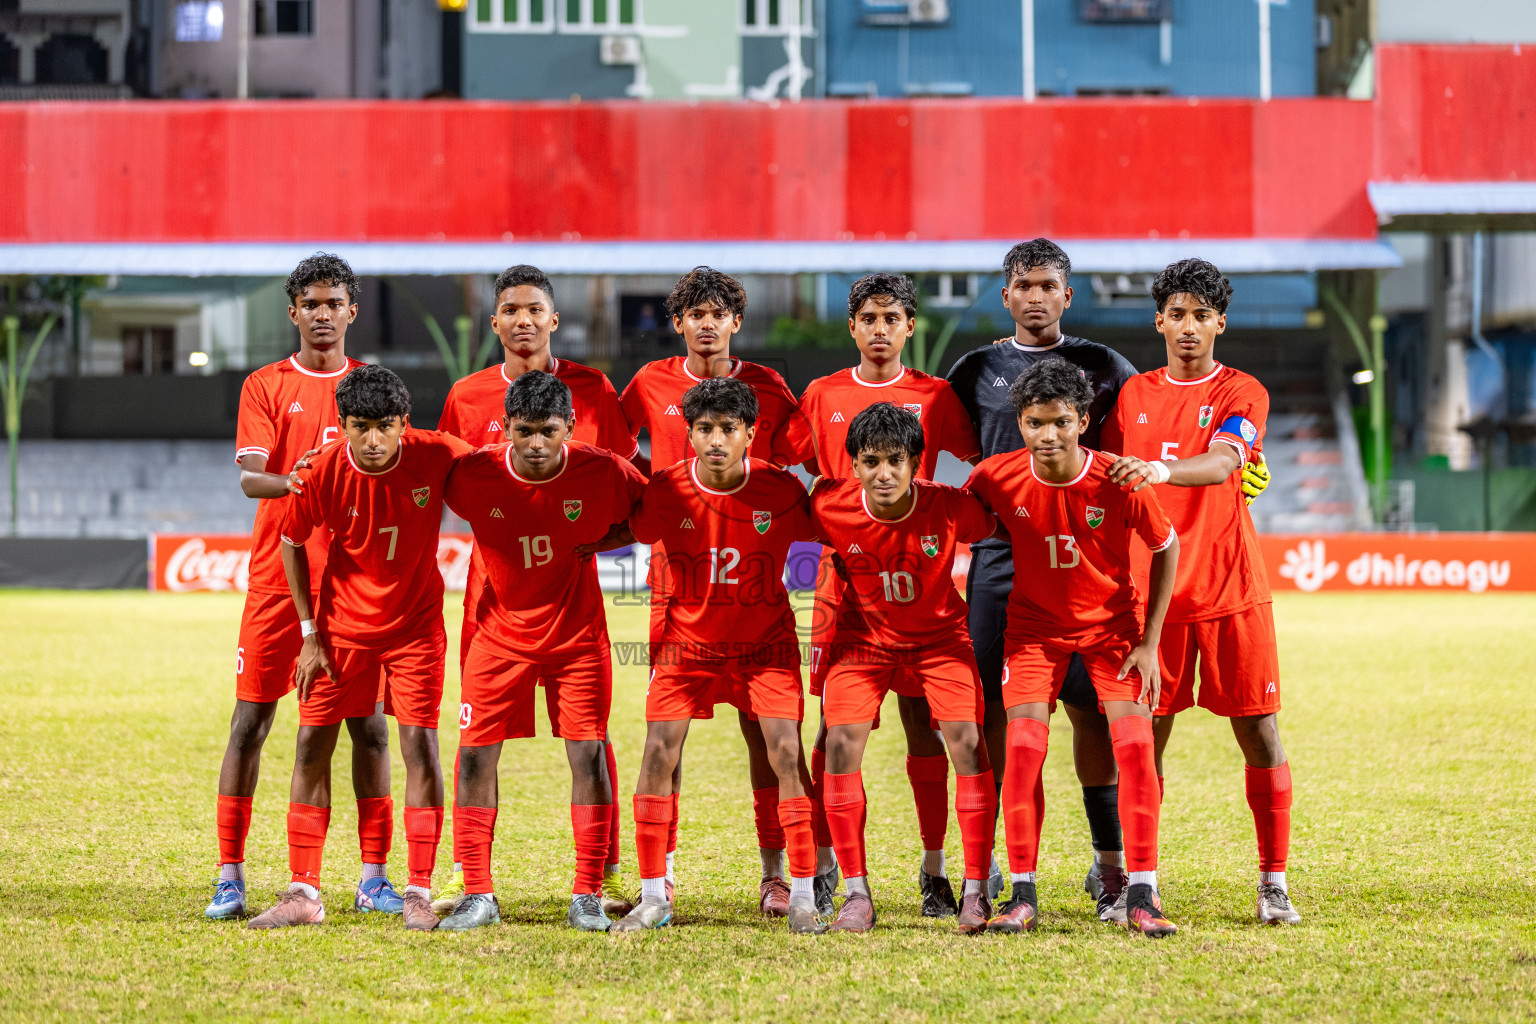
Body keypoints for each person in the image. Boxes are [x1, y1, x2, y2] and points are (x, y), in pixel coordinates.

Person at [433, 264, 638, 918]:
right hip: (492, 600)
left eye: (535, 310)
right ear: (495, 322)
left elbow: (627, 489)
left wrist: (592, 542)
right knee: (476, 742)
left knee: (589, 739)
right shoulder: (466, 397)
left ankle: (597, 877)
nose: (523, 320)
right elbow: (442, 482)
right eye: (511, 310)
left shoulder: (595, 390)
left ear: (554, 320)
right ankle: (472, 877)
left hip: (571, 597)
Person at [945, 238, 1141, 918]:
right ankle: (997, 859)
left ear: (1068, 294)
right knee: (1000, 711)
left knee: (1091, 709)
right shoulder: (974, 368)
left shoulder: (1104, 366)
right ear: (1006, 296)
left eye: (1047, 285)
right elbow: (946, 450)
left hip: (1087, 558)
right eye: (1022, 285)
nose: (1034, 296)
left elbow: (1136, 451)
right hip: (1004, 561)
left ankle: (1107, 862)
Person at [1102, 258, 1299, 926]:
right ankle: (1138, 881)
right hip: (1150, 598)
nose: (1189, 327)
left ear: (1222, 322)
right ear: (1159, 320)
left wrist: (1165, 468)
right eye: (1177, 314)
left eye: (1202, 315)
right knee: (1142, 741)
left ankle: (1272, 883)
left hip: (1229, 589)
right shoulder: (1130, 398)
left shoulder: (1245, 391)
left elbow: (1224, 459)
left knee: (1260, 732)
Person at [207, 253, 399, 922]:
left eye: (333, 303)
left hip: (352, 590)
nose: (322, 314)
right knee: (250, 723)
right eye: (310, 304)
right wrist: (299, 478)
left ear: (351, 310)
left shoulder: (373, 388)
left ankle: (374, 877)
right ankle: (230, 876)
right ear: (294, 312)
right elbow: (250, 477)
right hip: (274, 582)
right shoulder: (266, 385)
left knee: (368, 728)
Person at [245, 366, 472, 931]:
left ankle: (417, 889)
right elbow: (291, 541)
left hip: (416, 630)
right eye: (360, 426)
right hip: (340, 631)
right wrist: (309, 634)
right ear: (342, 425)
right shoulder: (321, 470)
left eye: (385, 427)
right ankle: (304, 891)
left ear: (404, 424)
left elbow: (502, 472)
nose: (373, 440)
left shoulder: (439, 452)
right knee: (309, 747)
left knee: (420, 747)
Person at [618, 267, 811, 917]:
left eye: (718, 311)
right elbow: (616, 453)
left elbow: (794, 463)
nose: (706, 322)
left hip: (749, 574)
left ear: (735, 322)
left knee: (767, 737)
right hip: (676, 583)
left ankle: (777, 874)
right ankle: (661, 876)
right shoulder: (650, 382)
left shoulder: (768, 388)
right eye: (693, 312)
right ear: (678, 324)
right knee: (665, 736)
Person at [966, 357, 1181, 937]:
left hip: (1114, 632)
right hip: (1034, 633)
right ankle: (1023, 892)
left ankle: (1142, 891)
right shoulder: (993, 476)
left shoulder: (1119, 477)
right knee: (1024, 748)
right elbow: (954, 522)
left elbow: (1167, 546)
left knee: (1134, 750)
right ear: (1021, 421)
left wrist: (1150, 641)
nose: (1048, 434)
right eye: (1035, 423)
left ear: (1083, 420)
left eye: (1061, 421)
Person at [796, 272, 982, 917]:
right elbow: (787, 462)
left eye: (892, 318)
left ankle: (934, 871)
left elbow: (982, 460)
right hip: (846, 585)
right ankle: (830, 869)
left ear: (910, 327)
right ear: (853, 327)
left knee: (926, 733)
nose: (880, 330)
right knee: (835, 734)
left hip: (922, 573)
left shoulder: (936, 397)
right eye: (868, 318)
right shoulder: (822, 393)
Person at [809, 402, 997, 933]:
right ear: (853, 465)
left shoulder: (951, 507)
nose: (884, 473)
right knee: (840, 740)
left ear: (917, 462)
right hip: (864, 642)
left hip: (940, 640)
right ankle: (855, 893)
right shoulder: (829, 506)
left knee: (964, 740)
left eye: (896, 460)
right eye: (871, 461)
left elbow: (1007, 517)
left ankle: (972, 887)